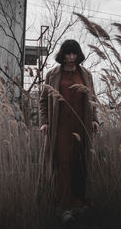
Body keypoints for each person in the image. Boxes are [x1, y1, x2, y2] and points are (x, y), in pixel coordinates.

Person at [39, 39, 99, 222]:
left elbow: (92, 99)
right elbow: (43, 101)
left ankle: (79, 204)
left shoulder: (86, 75)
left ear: (78, 54)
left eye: (74, 53)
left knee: (79, 163)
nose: (71, 57)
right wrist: (45, 121)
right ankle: (63, 206)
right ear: (63, 55)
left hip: (81, 125)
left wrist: (95, 119)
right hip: (60, 127)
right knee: (62, 163)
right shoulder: (52, 75)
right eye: (68, 53)